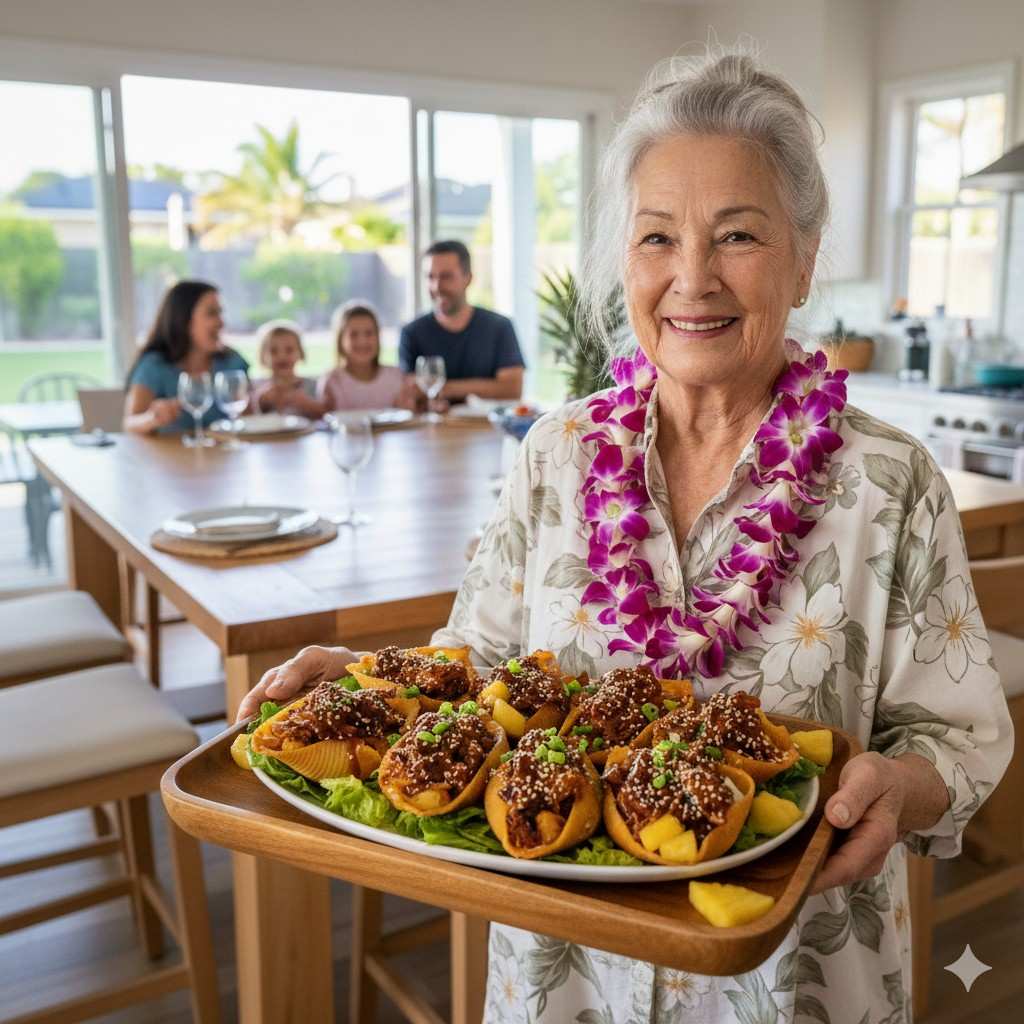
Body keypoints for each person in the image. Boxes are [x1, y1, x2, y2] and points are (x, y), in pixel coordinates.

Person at [237, 50, 1013, 1022]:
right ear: (623, 259)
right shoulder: (553, 453)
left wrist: (899, 785)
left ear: (805, 256)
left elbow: (962, 735)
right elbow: (476, 670)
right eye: (657, 237)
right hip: (564, 979)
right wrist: (365, 688)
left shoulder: (889, 482)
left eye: (737, 234)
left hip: (794, 977)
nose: (693, 277)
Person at [399, 240, 525, 404]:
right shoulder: (411, 333)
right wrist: (484, 387)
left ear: (468, 278)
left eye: (446, 277)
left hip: (487, 428)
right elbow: (412, 393)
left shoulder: (500, 327)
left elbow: (512, 389)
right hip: (432, 428)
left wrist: (442, 387)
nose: (437, 286)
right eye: (430, 277)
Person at [123, 280, 249, 434]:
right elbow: (130, 423)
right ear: (184, 319)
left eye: (220, 312)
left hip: (225, 455)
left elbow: (247, 417)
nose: (221, 322)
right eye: (212, 313)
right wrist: (152, 418)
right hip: (171, 457)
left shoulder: (232, 362)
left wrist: (263, 401)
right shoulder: (154, 365)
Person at [318, 301, 417, 412]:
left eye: (369, 333)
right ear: (340, 340)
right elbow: (325, 421)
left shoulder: (395, 376)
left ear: (378, 337)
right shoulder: (332, 381)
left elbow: (406, 416)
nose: (362, 341)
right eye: (353, 335)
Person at [250, 319, 325, 419]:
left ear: (301, 353)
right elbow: (243, 417)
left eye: (289, 350)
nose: (282, 356)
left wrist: (307, 404)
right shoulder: (257, 386)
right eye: (273, 351)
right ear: (263, 356)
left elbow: (325, 416)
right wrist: (260, 401)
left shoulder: (312, 385)